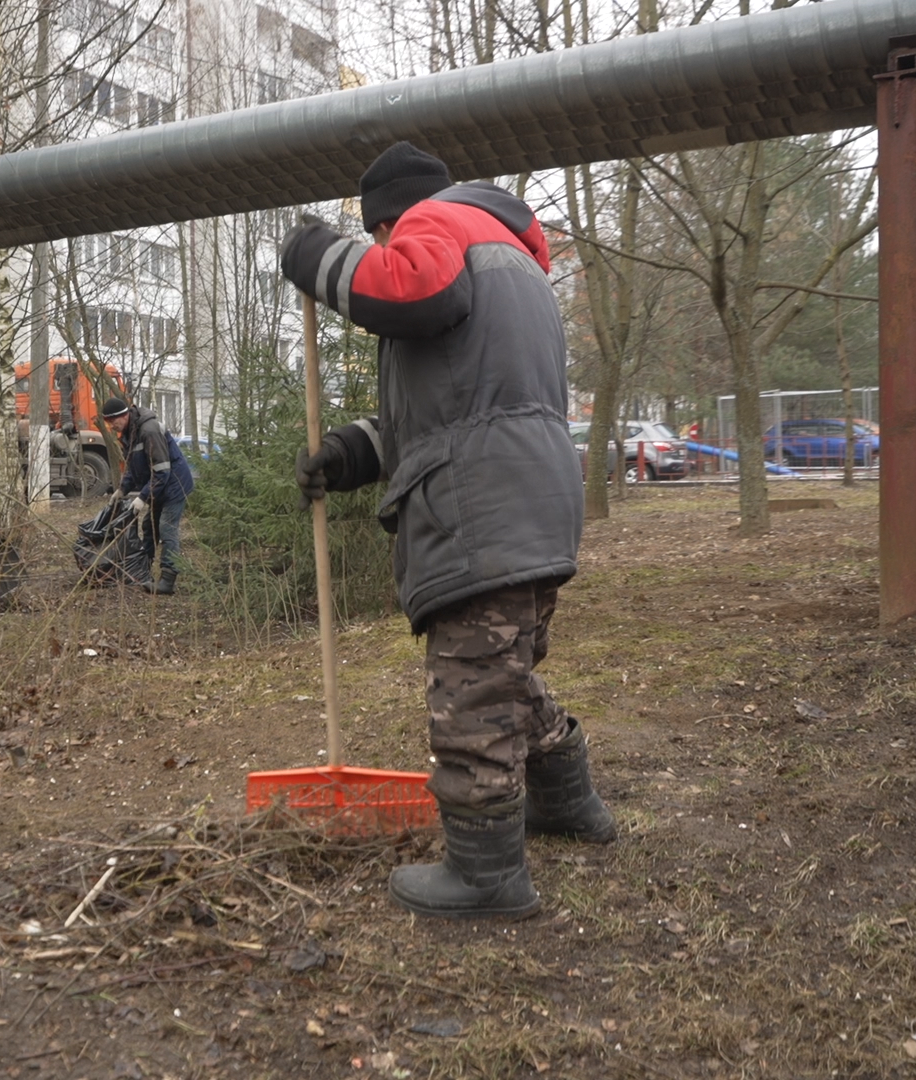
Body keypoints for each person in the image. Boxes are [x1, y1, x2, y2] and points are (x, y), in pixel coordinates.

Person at [278, 141, 614, 920]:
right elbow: (451, 409)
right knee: (503, 674)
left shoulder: (437, 226)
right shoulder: (509, 263)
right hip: (533, 498)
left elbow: (413, 291)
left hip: (484, 507)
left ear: (388, 223)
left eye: (380, 238)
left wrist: (316, 257)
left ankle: (487, 875)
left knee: (471, 695)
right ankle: (567, 802)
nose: (386, 250)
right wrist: (348, 455)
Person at [100, 397, 192, 594]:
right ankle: (142, 571)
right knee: (149, 527)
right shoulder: (129, 434)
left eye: (112, 421)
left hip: (175, 484)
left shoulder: (149, 431)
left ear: (124, 416)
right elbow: (134, 467)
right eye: (108, 422)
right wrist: (122, 489)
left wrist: (142, 497)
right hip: (159, 486)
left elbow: (162, 470)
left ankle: (167, 580)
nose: (111, 426)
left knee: (166, 529)